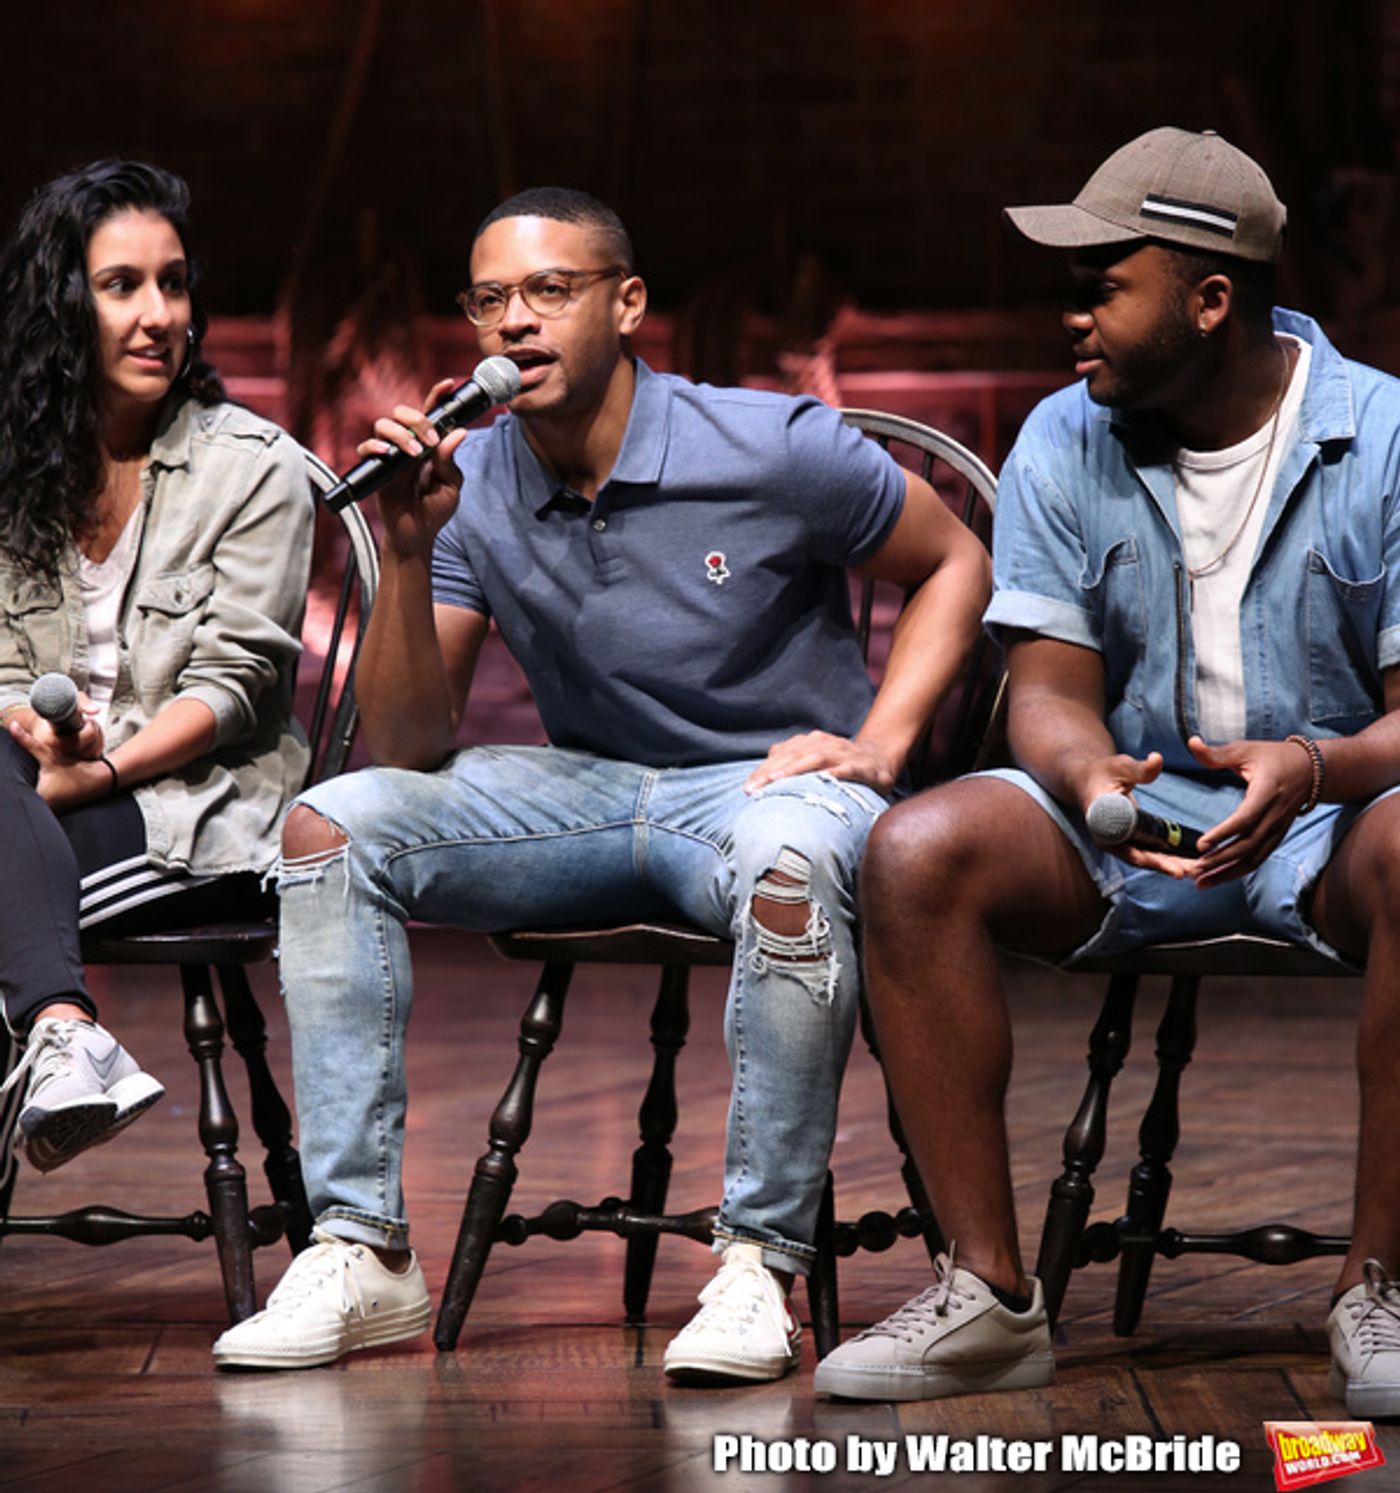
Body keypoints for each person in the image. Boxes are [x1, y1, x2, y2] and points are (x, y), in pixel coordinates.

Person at [210, 186, 991, 1374]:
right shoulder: (474, 488)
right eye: (489, 301)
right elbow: (411, 744)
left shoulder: (771, 444)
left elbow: (952, 559)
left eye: (548, 290)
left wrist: (881, 743)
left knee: (793, 859)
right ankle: (361, 1246)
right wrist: (413, 554)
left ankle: (757, 1264)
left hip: (763, 789)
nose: (514, 324)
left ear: (625, 305)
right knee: (330, 824)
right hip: (584, 788)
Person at [814, 127, 1400, 1414]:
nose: (1067, 312)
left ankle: (1381, 1284)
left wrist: (1307, 767)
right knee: (912, 849)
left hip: (1335, 816)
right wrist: (1090, 786)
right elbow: (1047, 694)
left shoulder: (1386, 433)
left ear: (1208, 298)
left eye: (1100, 284)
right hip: (1121, 814)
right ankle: (986, 1295)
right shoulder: (1060, 436)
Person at [0, 162, 314, 1173]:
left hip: (187, 807)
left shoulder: (252, 466)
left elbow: (231, 689)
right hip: (28, 793)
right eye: (121, 284)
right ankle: (58, 1029)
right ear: (60, 304)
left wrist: (91, 770)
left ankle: (56, 1025)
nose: (156, 315)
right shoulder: (19, 469)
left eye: (172, 283)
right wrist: (29, 729)